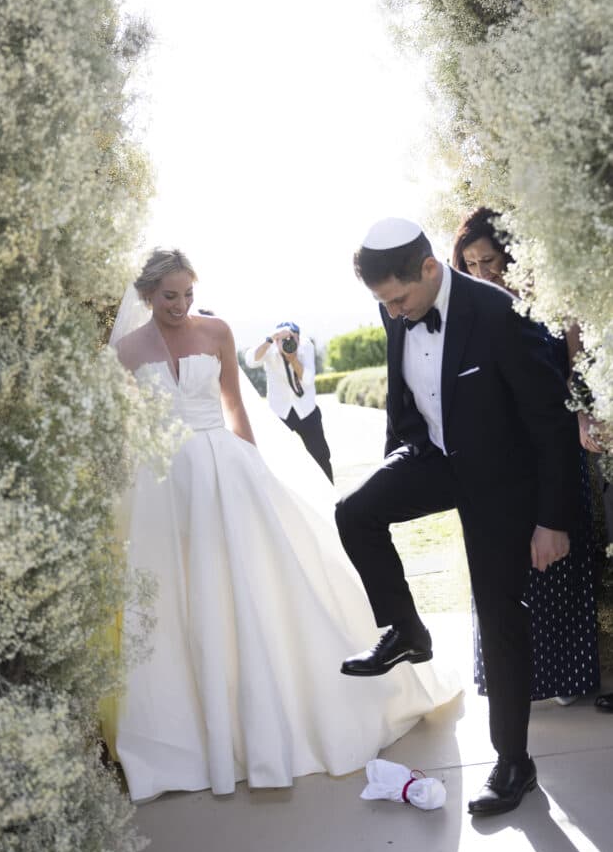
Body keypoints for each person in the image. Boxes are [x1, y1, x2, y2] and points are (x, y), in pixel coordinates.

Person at [108, 248, 459, 802]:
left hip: (225, 470)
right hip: (163, 486)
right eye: (169, 296)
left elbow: (233, 405)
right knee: (184, 598)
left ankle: (291, 712)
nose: (180, 305)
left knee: (255, 585)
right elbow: (125, 428)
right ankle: (199, 733)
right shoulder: (125, 352)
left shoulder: (216, 331)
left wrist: (252, 466)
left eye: (187, 295)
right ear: (147, 294)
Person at [335, 217, 580, 816]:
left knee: (500, 619)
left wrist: (553, 519)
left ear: (426, 268)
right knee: (354, 512)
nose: (393, 313)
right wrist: (402, 460)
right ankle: (407, 630)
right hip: (436, 460)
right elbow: (406, 401)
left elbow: (551, 425)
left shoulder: (499, 314)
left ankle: (514, 764)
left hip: (502, 482)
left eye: (398, 299)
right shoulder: (397, 312)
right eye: (382, 304)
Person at [451, 207, 599, 706]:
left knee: (558, 562)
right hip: (502, 455)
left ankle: (563, 677)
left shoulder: (550, 301)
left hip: (556, 445)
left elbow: (576, 367)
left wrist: (583, 418)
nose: (481, 273)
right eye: (470, 264)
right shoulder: (471, 312)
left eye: (488, 260)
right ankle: (515, 677)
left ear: (511, 254)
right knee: (508, 566)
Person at [245, 321, 333, 481]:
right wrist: (271, 339)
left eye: (292, 338)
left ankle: (332, 498)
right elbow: (250, 361)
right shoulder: (269, 348)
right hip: (280, 412)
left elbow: (307, 380)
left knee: (321, 455)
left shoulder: (305, 346)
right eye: (283, 339)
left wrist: (293, 359)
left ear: (299, 337)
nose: (288, 342)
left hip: (306, 409)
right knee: (277, 460)